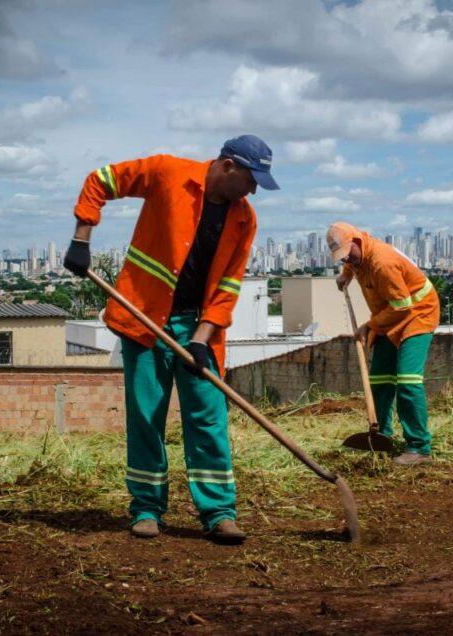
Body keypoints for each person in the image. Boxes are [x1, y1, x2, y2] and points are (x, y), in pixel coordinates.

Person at [63, 135, 279, 542]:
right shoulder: (167, 173)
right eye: (251, 179)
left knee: (208, 417)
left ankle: (218, 512)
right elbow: (101, 180)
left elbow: (228, 286)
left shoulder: (243, 219)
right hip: (144, 320)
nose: (253, 190)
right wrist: (81, 238)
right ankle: (146, 509)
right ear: (228, 166)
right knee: (147, 415)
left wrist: (202, 336)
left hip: (197, 328)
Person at [327, 222, 440, 465]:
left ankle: (419, 448)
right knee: (379, 378)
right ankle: (383, 437)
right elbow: (352, 261)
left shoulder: (382, 262)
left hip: (417, 314)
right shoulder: (358, 255)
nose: (347, 259)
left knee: (408, 381)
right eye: (342, 257)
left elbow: (403, 306)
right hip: (390, 314)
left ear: (357, 241)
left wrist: (370, 326)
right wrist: (346, 274)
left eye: (348, 254)